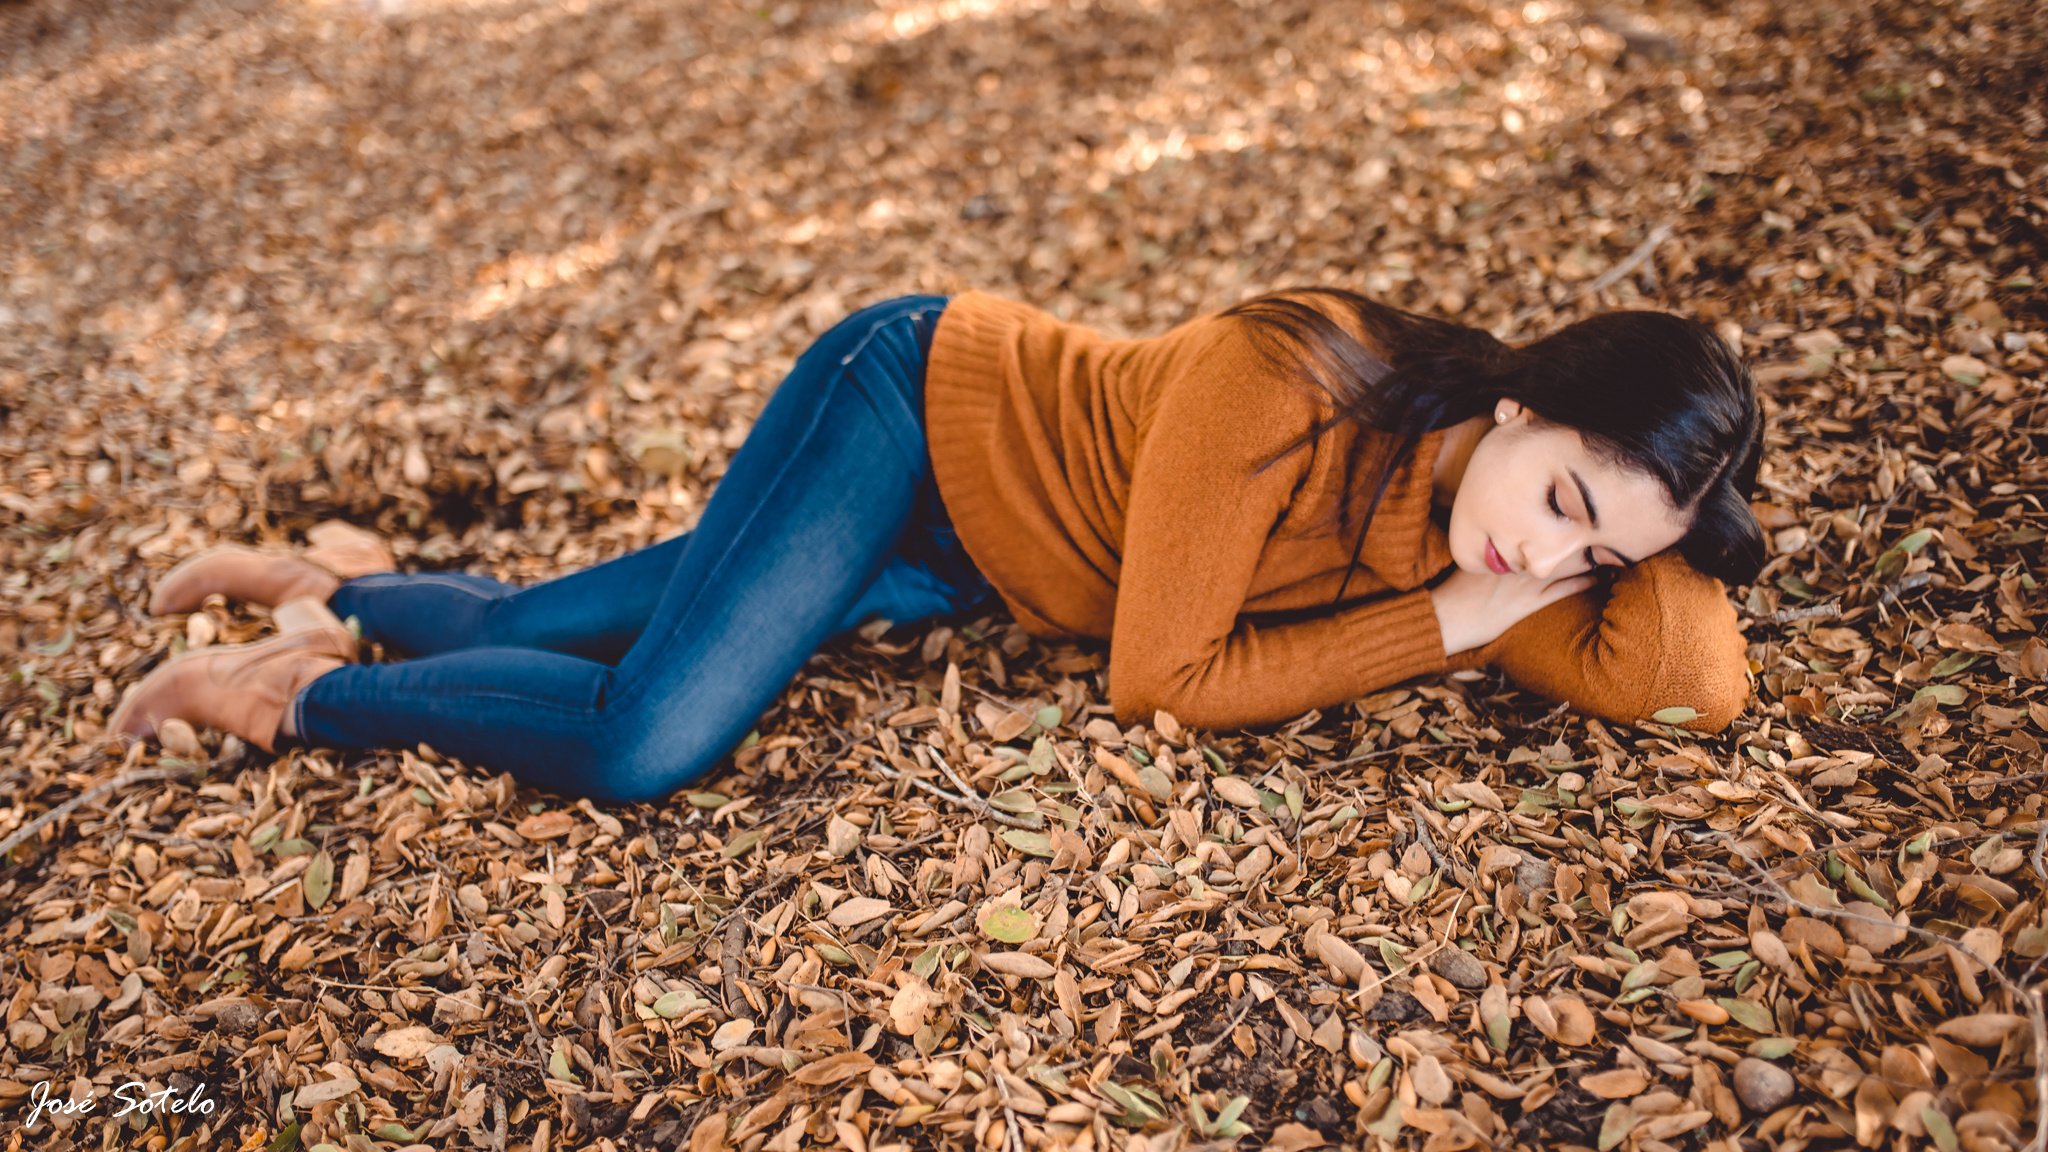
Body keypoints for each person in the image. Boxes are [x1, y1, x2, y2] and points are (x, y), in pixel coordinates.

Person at [110, 288, 1763, 802]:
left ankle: (333, 590)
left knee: (564, 615)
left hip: (993, 560)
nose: (1549, 570)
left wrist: (1665, 528)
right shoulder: (1296, 376)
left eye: (1594, 563)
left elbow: (1693, 679)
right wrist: (1457, 632)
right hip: (910, 415)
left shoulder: (1509, 526)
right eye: (1559, 507)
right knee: (645, 738)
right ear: (1526, 398)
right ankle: (291, 697)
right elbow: (1161, 681)